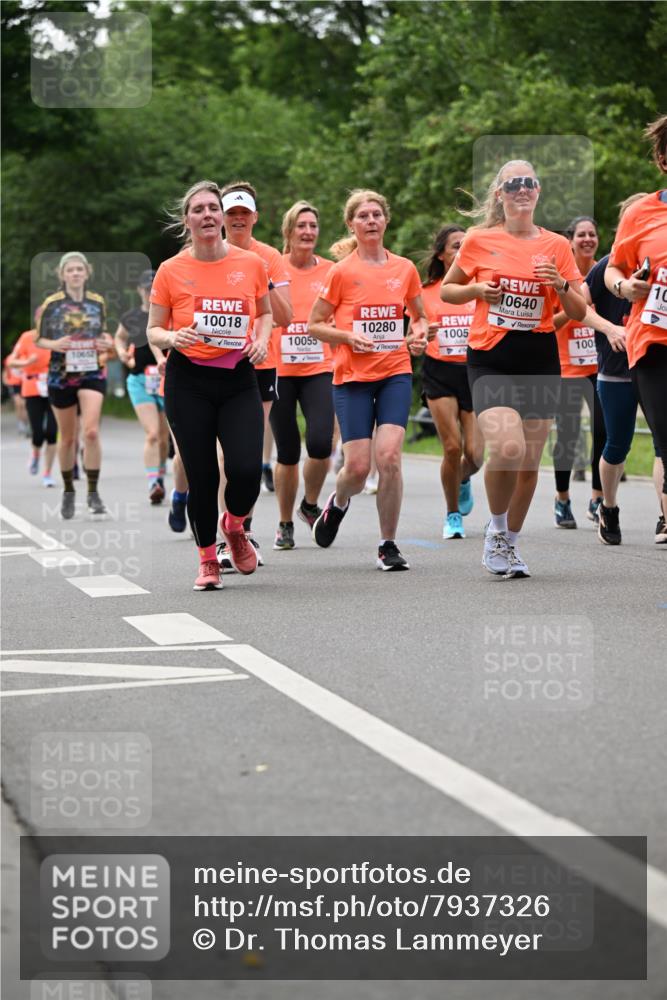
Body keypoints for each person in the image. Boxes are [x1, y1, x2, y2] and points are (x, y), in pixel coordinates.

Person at [441, 160, 586, 578]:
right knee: (507, 449)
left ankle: (509, 542)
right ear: (500, 194)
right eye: (513, 184)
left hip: (539, 358)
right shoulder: (479, 239)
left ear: (538, 191)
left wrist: (560, 284)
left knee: (528, 465)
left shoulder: (557, 245)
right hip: (491, 358)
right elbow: (448, 290)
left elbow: (578, 310)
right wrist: (476, 289)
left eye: (529, 182)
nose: (522, 189)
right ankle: (496, 528)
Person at [147, 180, 272, 591]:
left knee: (246, 469)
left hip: (238, 377)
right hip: (189, 381)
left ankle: (233, 525)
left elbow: (265, 313)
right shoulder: (171, 270)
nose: (207, 214)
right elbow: (153, 329)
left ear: (221, 217)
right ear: (187, 220)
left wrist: (261, 339)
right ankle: (207, 560)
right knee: (201, 475)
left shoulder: (250, 264)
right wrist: (173, 337)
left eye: (212, 208)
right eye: (198, 209)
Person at [308, 189, 429, 570]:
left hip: (394, 372)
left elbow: (419, 316)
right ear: (352, 225)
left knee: (389, 457)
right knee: (358, 469)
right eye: (363, 216)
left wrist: (419, 335)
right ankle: (339, 501)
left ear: (386, 221)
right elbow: (314, 325)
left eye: (376, 214)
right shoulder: (341, 272)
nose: (371, 221)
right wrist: (347, 337)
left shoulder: (404, 269)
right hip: (352, 378)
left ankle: (387, 544)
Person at [216, 180, 293, 569]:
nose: (238, 219)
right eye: (231, 213)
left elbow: (285, 316)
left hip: (260, 364)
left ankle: (241, 531)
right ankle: (223, 539)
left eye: (244, 213)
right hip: (215, 364)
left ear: (255, 217)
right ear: (221, 218)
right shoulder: (207, 254)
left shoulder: (269, 257)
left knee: (246, 454)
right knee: (222, 456)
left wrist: (264, 278)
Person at [605, 114, 667, 545]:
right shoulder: (641, 213)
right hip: (654, 343)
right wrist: (625, 287)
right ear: (663, 160)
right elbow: (614, 269)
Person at [269, 200, 334, 549]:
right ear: (288, 231)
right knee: (288, 451)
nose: (308, 232)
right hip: (279, 370)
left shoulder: (331, 271)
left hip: (319, 367)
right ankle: (284, 523)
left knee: (322, 443)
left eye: (313, 226)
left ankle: (309, 504)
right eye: (301, 226)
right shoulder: (273, 268)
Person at [36, 252, 113, 519]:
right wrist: (55, 344)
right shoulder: (52, 304)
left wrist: (106, 342)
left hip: (91, 371)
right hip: (61, 375)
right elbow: (39, 339)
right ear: (62, 275)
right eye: (70, 270)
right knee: (67, 438)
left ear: (87, 272)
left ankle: (93, 492)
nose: (76, 273)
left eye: (80, 269)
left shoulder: (97, 302)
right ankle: (68, 490)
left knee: (90, 432)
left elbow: (104, 334)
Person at [418, 225, 483, 539]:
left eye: (467, 245)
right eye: (457, 245)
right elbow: (411, 332)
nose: (462, 250)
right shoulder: (426, 291)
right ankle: (452, 514)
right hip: (439, 372)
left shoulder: (480, 287)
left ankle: (461, 478)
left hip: (473, 372)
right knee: (452, 446)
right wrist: (420, 335)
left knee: (476, 455)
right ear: (442, 254)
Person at [552, 216, 606, 528]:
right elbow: (549, 323)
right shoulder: (560, 276)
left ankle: (597, 498)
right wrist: (576, 306)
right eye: (581, 235)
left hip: (599, 367)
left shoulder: (604, 273)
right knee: (568, 435)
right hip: (567, 368)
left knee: (603, 431)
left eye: (592, 234)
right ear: (570, 241)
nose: (587, 239)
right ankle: (562, 499)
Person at [114, 270, 170, 505]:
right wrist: (122, 354)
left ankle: (160, 474)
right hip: (139, 380)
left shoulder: (169, 313)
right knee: (153, 434)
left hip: (166, 380)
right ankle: (153, 482)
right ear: (139, 290)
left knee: (165, 438)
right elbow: (119, 337)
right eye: (146, 289)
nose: (149, 293)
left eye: (153, 288)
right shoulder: (131, 316)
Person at [6, 310, 57, 486]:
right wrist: (27, 362)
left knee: (52, 433)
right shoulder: (27, 337)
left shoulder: (57, 339)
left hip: (54, 388)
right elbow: (11, 361)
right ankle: (35, 454)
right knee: (38, 433)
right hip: (32, 388)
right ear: (36, 319)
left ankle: (47, 473)